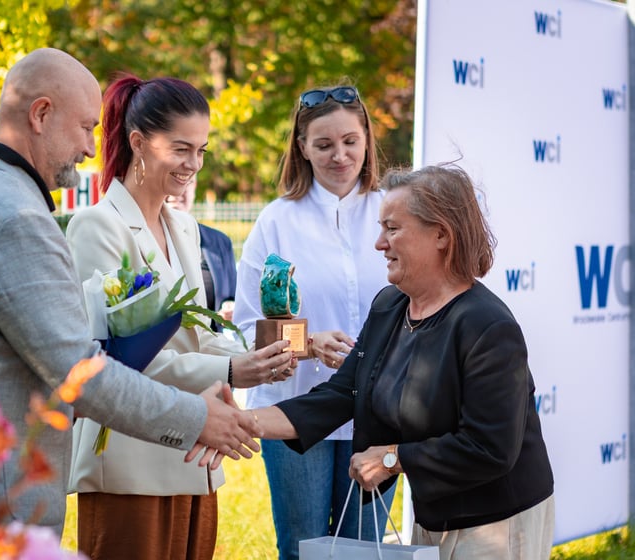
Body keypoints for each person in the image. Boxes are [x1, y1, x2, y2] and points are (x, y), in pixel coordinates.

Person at [0, 48, 262, 538]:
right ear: (41, 114)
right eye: (86, 127)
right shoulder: (14, 219)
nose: (92, 149)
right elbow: (80, 373)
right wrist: (196, 417)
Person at [248, 165, 556, 559]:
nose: (379, 243)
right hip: (435, 518)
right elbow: (341, 394)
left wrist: (392, 458)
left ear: (441, 235)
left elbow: (490, 447)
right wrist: (245, 422)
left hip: (497, 522)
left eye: (392, 229)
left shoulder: (488, 325)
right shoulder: (390, 305)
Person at [65, 74, 295, 560]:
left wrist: (253, 358)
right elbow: (118, 362)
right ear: (137, 143)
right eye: (181, 149)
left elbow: (199, 333)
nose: (193, 165)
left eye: (202, 150)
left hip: (196, 463)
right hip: (129, 467)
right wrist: (233, 369)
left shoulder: (185, 227)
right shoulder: (95, 227)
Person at [231, 84, 393, 558]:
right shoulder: (276, 222)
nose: (339, 155)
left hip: (378, 411)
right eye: (323, 145)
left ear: (366, 138)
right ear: (301, 147)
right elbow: (244, 327)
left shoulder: (393, 212)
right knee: (302, 547)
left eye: (350, 141)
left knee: (366, 550)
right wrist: (306, 342)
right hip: (295, 408)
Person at [166, 174, 237, 331]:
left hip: (212, 346)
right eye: (171, 178)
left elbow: (233, 294)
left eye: (186, 180)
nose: (176, 192)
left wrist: (229, 306)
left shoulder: (219, 242)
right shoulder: (143, 239)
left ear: (194, 186)